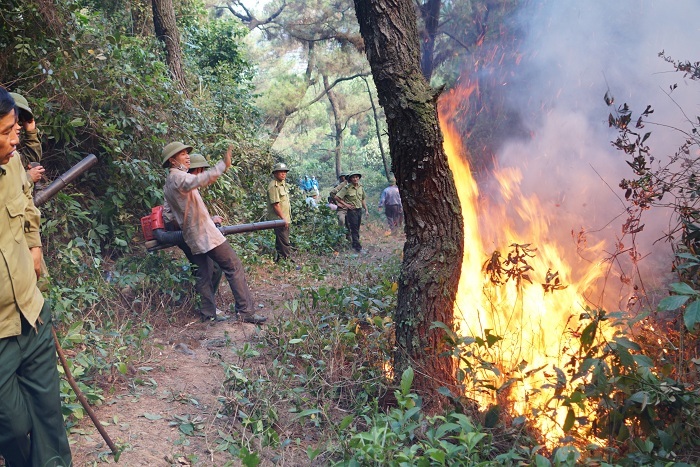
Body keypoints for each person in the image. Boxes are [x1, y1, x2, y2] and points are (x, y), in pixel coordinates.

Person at [0, 87, 72, 466]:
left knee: (48, 418)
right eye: (6, 131)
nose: (16, 139)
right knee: (12, 424)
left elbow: (26, 203)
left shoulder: (12, 164)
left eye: (17, 128)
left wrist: (35, 244)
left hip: (31, 312)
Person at [161, 141, 266, 324]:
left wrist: (187, 219)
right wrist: (222, 165)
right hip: (205, 234)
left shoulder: (168, 184)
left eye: (187, 153)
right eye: (182, 154)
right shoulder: (178, 177)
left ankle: (208, 315)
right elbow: (198, 180)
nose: (187, 157)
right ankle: (245, 312)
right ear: (172, 160)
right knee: (233, 266)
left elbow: (168, 214)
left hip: (192, 235)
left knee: (203, 274)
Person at [162, 153, 224, 316]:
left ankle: (207, 304)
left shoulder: (188, 186)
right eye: (200, 171)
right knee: (206, 268)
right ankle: (206, 307)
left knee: (214, 267)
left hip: (195, 232)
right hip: (184, 234)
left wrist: (210, 220)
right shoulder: (179, 184)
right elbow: (172, 216)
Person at [9, 92, 44, 186]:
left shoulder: (9, 153)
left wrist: (31, 132)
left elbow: (30, 162)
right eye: (13, 121)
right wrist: (28, 178)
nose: (19, 127)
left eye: (19, 122)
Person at [334, 171, 368, 252]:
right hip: (351, 211)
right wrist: (346, 205)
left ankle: (354, 245)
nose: (355, 179)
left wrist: (366, 210)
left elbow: (362, 199)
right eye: (353, 177)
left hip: (359, 210)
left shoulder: (360, 187)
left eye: (356, 177)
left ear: (359, 178)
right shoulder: (347, 188)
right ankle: (357, 248)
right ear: (350, 179)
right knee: (354, 229)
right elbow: (337, 197)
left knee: (357, 228)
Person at [267, 162, 292, 261]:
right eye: (280, 172)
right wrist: (283, 219)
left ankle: (280, 260)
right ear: (275, 173)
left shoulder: (283, 184)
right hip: (279, 219)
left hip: (285, 218)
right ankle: (287, 261)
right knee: (284, 241)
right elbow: (275, 205)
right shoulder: (273, 186)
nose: (283, 174)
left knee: (280, 240)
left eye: (284, 172)